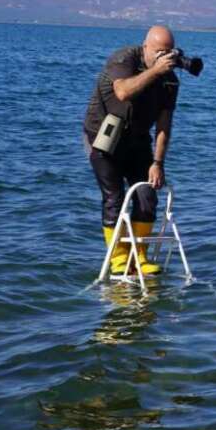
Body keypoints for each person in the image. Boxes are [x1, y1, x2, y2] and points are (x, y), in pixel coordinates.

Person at [83, 25, 179, 275]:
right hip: (103, 136)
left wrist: (158, 163)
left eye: (169, 52)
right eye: (159, 51)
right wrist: (155, 71)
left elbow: (164, 125)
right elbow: (123, 91)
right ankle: (118, 258)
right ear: (145, 47)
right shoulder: (124, 59)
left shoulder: (169, 80)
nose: (164, 57)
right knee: (114, 197)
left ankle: (140, 256)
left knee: (147, 195)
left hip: (137, 140)